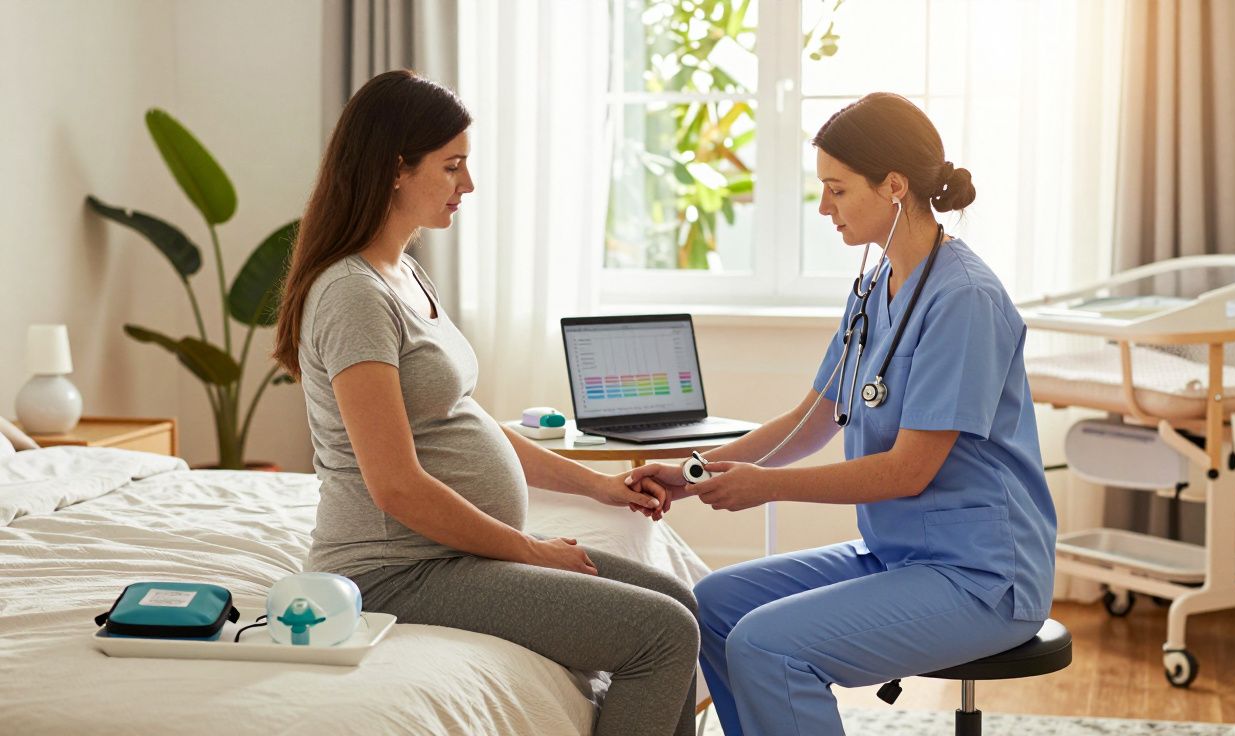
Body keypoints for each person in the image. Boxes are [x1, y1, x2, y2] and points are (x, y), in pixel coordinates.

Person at [272, 70, 699, 736]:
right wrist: (529, 551)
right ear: (394, 169)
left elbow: (467, 424)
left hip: (450, 556)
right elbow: (397, 487)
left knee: (676, 600)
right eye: (452, 166)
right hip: (397, 572)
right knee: (662, 632)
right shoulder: (352, 295)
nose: (466, 185)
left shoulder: (403, 273)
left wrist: (600, 488)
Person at [626, 92, 1058, 736]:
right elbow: (812, 420)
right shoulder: (873, 286)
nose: (823, 207)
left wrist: (765, 488)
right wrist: (693, 473)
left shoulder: (964, 300)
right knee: (712, 605)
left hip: (982, 574)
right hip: (900, 553)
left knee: (767, 645)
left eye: (836, 189)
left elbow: (907, 472)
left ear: (892, 186)